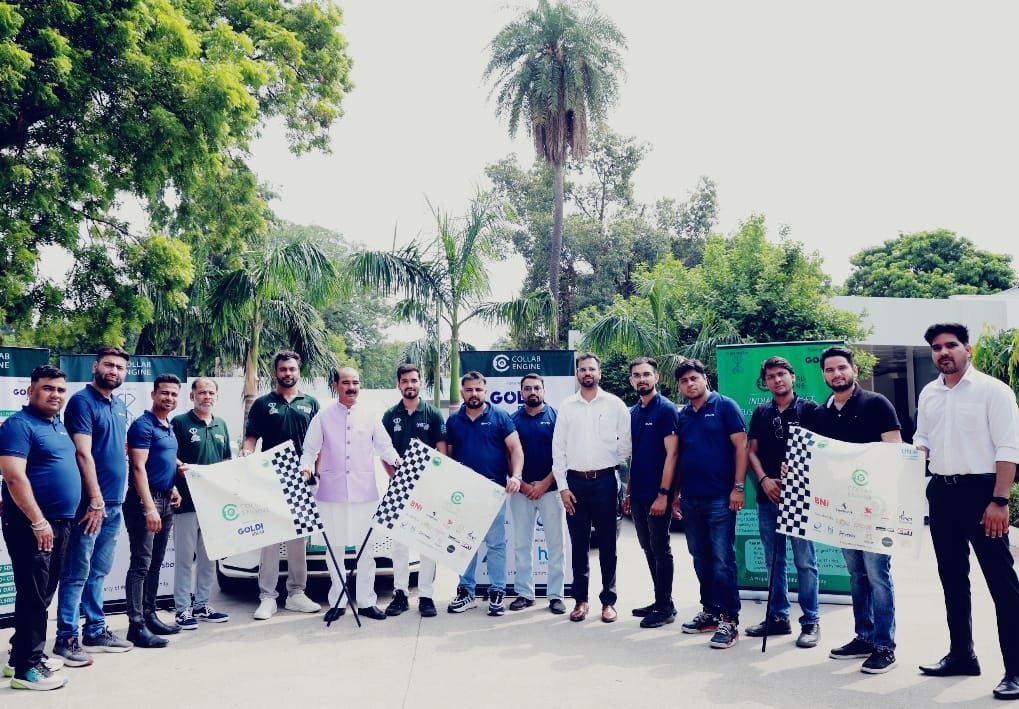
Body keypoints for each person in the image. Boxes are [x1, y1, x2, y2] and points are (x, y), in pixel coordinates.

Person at [913, 323, 1019, 701]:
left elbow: (1008, 448)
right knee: (953, 580)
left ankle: (1016, 670)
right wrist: (913, 458)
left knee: (1002, 585)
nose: (944, 352)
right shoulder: (929, 393)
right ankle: (962, 655)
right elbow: (922, 438)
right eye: (937, 347)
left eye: (951, 345)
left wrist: (1000, 500)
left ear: (967, 349)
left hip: (982, 495)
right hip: (942, 493)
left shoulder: (994, 391)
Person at [805, 345, 901, 674]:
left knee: (878, 576)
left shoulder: (877, 403)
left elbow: (894, 450)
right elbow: (817, 460)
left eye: (842, 368)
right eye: (830, 370)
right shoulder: (820, 414)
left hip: (876, 508)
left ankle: (885, 645)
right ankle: (864, 636)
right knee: (857, 575)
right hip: (842, 510)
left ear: (854, 370)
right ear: (823, 375)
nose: (837, 374)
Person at [300, 367, 400, 621]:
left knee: (366, 550)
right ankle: (338, 601)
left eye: (355, 382)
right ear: (336, 385)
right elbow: (309, 450)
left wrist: (399, 462)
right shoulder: (322, 417)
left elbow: (385, 448)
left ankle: (366, 602)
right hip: (331, 493)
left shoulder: (371, 416)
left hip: (364, 493)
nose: (351, 387)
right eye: (346, 382)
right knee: (334, 549)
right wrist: (306, 466)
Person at [54, 346, 134, 665]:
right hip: (91, 505)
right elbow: (82, 453)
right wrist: (96, 499)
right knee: (77, 572)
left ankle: (95, 630)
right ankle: (66, 638)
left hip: (114, 503)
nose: (114, 371)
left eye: (120, 367)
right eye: (108, 365)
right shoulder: (81, 402)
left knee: (98, 571)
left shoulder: (118, 406)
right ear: (95, 367)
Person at [0, 366, 78, 690]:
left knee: (42, 594)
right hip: (32, 525)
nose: (55, 395)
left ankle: (19, 656)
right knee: (33, 596)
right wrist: (38, 520)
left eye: (60, 389)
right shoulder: (19, 425)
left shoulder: (56, 424)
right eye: (48, 388)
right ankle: (27, 671)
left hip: (59, 523)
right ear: (31, 390)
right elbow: (14, 476)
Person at [746, 356, 821, 648]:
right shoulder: (761, 412)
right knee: (773, 561)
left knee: (805, 561)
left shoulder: (810, 410)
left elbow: (822, 450)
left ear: (792, 377)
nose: (777, 380)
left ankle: (811, 621)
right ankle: (778, 617)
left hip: (799, 496)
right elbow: (751, 452)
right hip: (768, 496)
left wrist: (799, 472)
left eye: (781, 374)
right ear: (765, 383)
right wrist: (764, 479)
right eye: (770, 376)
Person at [552, 352, 631, 623]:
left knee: (608, 545)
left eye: (592, 369)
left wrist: (611, 461)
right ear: (577, 374)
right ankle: (580, 601)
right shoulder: (567, 406)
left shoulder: (614, 404)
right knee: (579, 545)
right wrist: (563, 487)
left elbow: (626, 443)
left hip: (605, 483)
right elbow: (558, 449)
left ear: (599, 373)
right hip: (574, 484)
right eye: (583, 369)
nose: (587, 373)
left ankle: (608, 602)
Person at [674, 359, 747, 649]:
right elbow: (680, 457)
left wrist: (738, 488)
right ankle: (711, 612)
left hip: (720, 498)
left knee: (722, 561)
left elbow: (741, 446)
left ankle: (730, 620)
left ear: (705, 379)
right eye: (684, 381)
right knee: (700, 558)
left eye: (694, 378)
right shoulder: (683, 415)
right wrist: (676, 494)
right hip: (691, 499)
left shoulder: (725, 406)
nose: (689, 384)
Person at [243, 351, 321, 620]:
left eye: (292, 369)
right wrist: (247, 454)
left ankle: (296, 594)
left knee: (298, 539)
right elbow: (251, 438)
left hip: (301, 479)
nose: (288, 373)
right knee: (271, 539)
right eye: (283, 369)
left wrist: (318, 472)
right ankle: (267, 597)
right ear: (275, 372)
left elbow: (320, 443)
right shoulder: (263, 404)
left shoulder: (311, 403)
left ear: (299, 371)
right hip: (271, 479)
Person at [445, 372, 524, 616]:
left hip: (493, 491)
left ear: (485, 391)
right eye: (469, 390)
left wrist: (516, 476)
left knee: (496, 545)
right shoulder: (453, 421)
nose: (474, 394)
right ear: (462, 392)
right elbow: (448, 457)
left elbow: (516, 449)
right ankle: (466, 592)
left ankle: (497, 592)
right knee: (464, 544)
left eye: (478, 390)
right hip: (464, 493)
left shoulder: (500, 416)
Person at [380, 364, 447, 618]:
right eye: (405, 381)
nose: (410, 385)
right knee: (400, 544)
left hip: (428, 489)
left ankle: (426, 595)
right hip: (398, 487)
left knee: (427, 543)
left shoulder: (432, 414)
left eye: (414, 380)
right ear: (398, 384)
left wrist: (432, 482)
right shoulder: (390, 415)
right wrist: (395, 477)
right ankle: (400, 594)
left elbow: (442, 452)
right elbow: (384, 451)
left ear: (420, 383)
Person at [123, 374, 183, 649]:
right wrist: (149, 507)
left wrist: (173, 486)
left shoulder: (167, 425)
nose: (169, 398)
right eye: (164, 393)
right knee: (141, 564)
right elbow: (138, 467)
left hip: (165, 499)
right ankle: (136, 625)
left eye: (173, 394)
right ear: (153, 394)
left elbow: (162, 460)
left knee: (155, 563)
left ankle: (149, 615)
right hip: (144, 502)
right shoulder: (143, 425)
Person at [170, 377, 231, 630]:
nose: (207, 397)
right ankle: (182, 609)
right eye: (202, 392)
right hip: (186, 502)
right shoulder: (180, 422)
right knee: (185, 559)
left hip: (212, 504)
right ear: (192, 396)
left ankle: (202, 605)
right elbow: (169, 455)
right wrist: (181, 469)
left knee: (208, 558)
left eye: (211, 393)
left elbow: (226, 460)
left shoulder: (221, 424)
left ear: (216, 396)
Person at [624, 358, 678, 629]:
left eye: (646, 374)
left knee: (660, 548)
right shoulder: (633, 412)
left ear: (656, 377)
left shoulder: (666, 409)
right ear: (631, 380)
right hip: (638, 493)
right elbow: (634, 456)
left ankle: (665, 607)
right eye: (637, 375)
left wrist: (664, 494)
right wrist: (629, 491)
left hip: (658, 494)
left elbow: (673, 454)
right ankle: (661, 600)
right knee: (648, 547)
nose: (641, 379)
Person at [508, 373, 567, 615]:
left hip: (551, 490)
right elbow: (507, 455)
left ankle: (556, 596)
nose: (532, 392)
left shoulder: (556, 417)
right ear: (521, 392)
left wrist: (544, 484)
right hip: (520, 492)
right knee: (522, 544)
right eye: (527, 388)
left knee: (556, 545)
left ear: (544, 390)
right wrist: (522, 484)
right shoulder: (512, 420)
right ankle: (525, 593)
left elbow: (563, 456)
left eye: (536, 388)